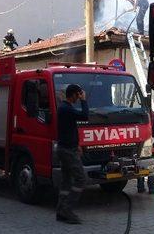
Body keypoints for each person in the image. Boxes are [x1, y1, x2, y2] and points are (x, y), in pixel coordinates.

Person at [55, 84, 89, 224]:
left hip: (68, 148)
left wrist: (78, 144)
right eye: (78, 94)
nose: (79, 96)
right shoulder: (66, 109)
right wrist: (84, 100)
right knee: (81, 179)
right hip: (68, 151)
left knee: (67, 181)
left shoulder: (65, 108)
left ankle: (60, 211)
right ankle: (67, 210)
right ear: (74, 95)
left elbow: (72, 129)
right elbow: (85, 116)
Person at [138, 111, 154, 194]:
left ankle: (140, 187)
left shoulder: (137, 114)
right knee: (150, 166)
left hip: (139, 145)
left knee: (140, 165)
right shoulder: (153, 115)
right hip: (151, 145)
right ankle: (151, 187)